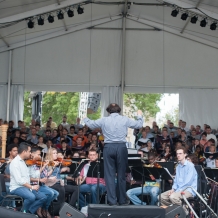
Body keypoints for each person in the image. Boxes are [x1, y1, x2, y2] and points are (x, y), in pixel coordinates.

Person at [84, 103, 143, 206]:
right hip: (121, 147)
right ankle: (122, 200)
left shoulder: (104, 120)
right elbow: (139, 125)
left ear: (108, 111)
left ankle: (112, 201)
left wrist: (85, 118)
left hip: (108, 147)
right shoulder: (124, 119)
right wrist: (139, 115)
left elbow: (91, 124)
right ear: (118, 110)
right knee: (121, 175)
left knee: (109, 176)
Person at [9, 143, 47, 217]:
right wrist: (32, 187)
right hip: (16, 187)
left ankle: (29, 212)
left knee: (43, 197)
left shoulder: (24, 162)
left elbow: (33, 175)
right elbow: (19, 181)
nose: (30, 153)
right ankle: (22, 214)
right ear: (24, 152)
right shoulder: (15, 163)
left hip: (25, 187)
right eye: (29, 151)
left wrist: (43, 166)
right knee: (31, 197)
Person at [160, 146, 197, 214]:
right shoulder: (178, 166)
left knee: (173, 196)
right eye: (177, 154)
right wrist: (173, 189)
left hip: (189, 190)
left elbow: (188, 183)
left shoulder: (190, 166)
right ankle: (172, 213)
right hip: (178, 189)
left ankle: (184, 213)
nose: (178, 155)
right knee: (161, 197)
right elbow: (176, 181)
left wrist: (176, 191)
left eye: (180, 153)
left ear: (185, 154)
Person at [29, 147, 59, 218]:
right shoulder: (31, 164)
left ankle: (43, 208)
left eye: (40, 155)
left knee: (56, 193)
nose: (40, 156)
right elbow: (34, 176)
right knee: (50, 193)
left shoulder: (40, 163)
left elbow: (46, 175)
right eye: (38, 154)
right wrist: (44, 166)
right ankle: (41, 209)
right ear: (32, 154)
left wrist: (53, 167)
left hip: (41, 185)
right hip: (34, 185)